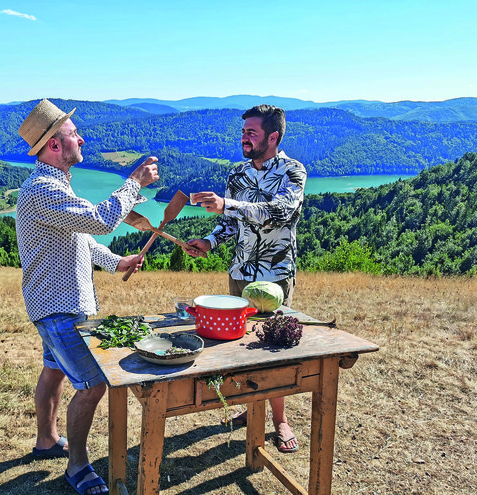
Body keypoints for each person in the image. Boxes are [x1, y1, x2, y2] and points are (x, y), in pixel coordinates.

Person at [16, 99, 159, 495]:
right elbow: (99, 220)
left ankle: (46, 440)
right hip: (60, 310)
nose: (81, 137)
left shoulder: (54, 186)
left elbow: (79, 239)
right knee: (94, 384)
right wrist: (134, 182)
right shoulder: (43, 189)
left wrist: (116, 262)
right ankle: (77, 466)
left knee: (54, 370)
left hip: (53, 306)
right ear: (55, 147)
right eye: (72, 133)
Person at [184, 104, 306, 454]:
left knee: (275, 347)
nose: (244, 138)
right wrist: (208, 241)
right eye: (243, 132)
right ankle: (247, 405)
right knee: (239, 345)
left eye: (251, 132)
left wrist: (227, 205)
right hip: (240, 273)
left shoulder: (293, 172)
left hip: (274, 277)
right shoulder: (237, 174)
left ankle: (279, 420)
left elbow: (280, 212)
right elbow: (231, 223)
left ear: (273, 136)